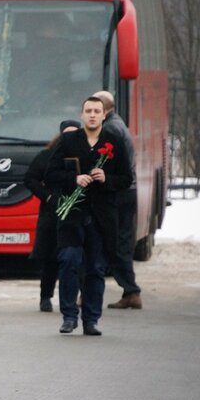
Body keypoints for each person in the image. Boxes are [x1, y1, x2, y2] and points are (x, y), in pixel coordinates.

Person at [45, 96, 132, 336]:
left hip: (102, 215)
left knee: (95, 267)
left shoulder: (113, 141)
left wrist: (107, 179)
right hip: (72, 214)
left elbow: (127, 179)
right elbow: (49, 173)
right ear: (82, 115)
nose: (92, 115)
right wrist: (73, 179)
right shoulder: (68, 140)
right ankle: (69, 316)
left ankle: (91, 319)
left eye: (97, 111)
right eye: (88, 111)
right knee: (69, 261)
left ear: (104, 115)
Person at [24, 119, 81, 312]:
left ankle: (75, 298)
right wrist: (47, 197)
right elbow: (30, 179)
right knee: (50, 258)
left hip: (77, 212)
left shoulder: (84, 156)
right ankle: (45, 296)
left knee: (75, 258)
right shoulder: (47, 156)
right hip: (52, 213)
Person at [94, 90, 143, 310]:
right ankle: (130, 291)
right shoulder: (118, 124)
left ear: (105, 109)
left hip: (119, 193)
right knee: (118, 242)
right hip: (126, 191)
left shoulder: (111, 129)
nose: (91, 114)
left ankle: (129, 291)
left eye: (95, 109)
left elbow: (107, 162)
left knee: (111, 242)